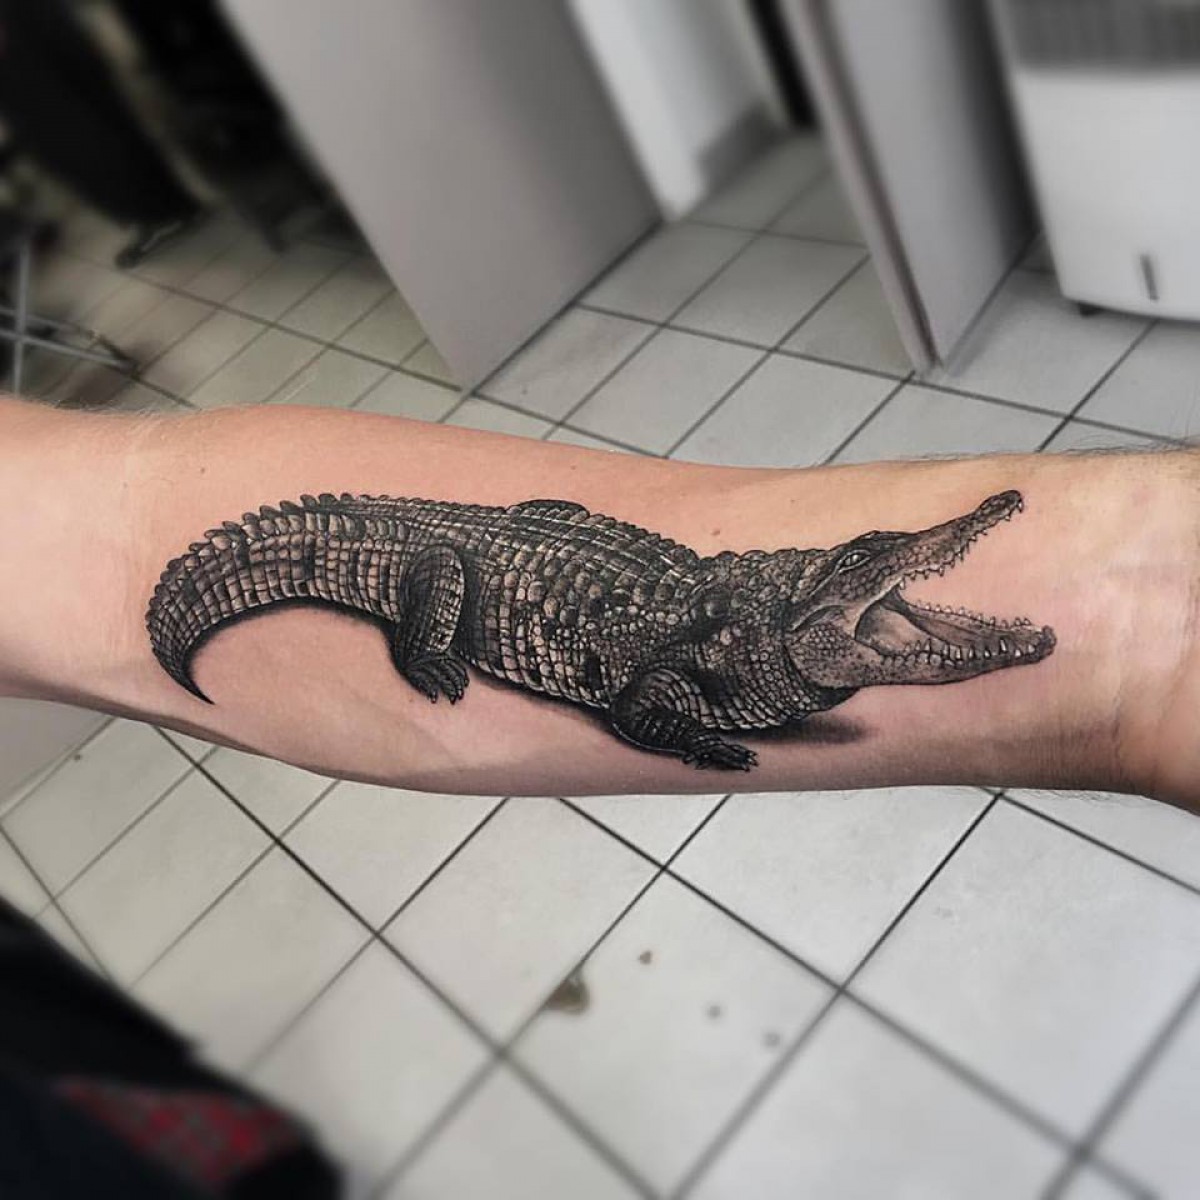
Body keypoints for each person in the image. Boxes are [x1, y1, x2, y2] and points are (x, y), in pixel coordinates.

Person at [0, 393, 1195, 812]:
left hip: (561, 553)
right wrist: (430, 654)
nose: (934, 565)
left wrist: (1140, 615)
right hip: (452, 574)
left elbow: (94, 516)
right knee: (443, 590)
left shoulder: (771, 631)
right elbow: (637, 706)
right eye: (869, 573)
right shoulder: (717, 648)